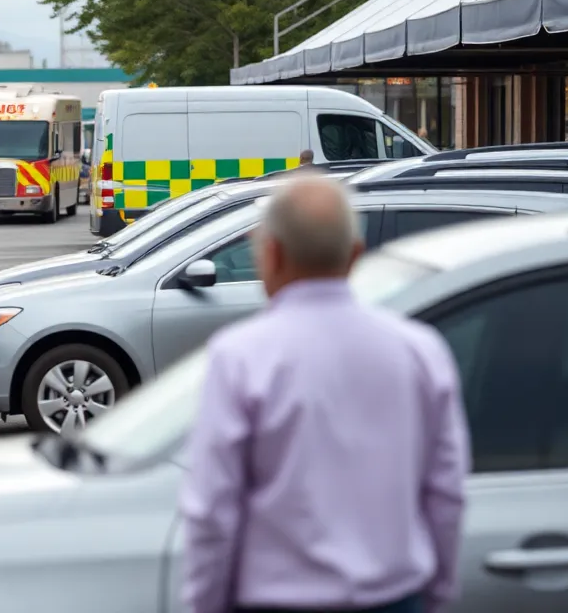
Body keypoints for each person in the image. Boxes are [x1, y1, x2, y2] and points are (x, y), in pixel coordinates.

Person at [178, 175, 468, 613]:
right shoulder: (420, 352)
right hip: (396, 599)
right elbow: (446, 493)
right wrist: (439, 593)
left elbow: (213, 510)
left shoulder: (239, 357)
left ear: (270, 254)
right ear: (355, 256)